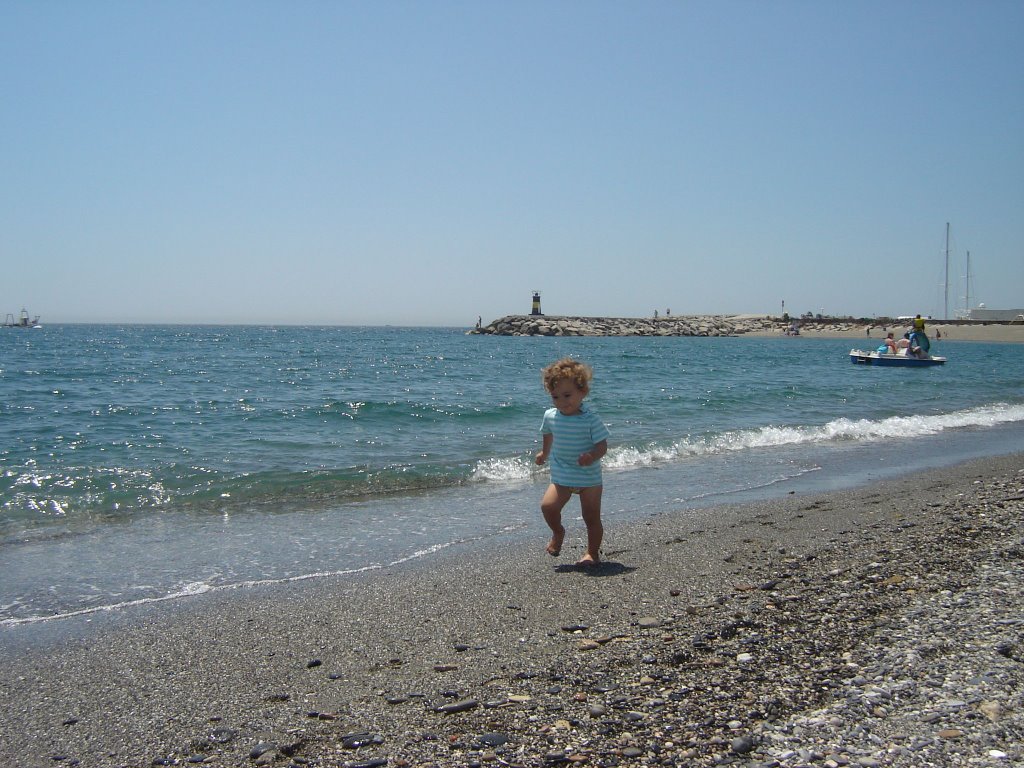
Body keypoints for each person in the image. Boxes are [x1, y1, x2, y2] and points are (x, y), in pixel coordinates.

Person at [535, 358, 609, 567]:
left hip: (589, 477)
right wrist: (544, 453)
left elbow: (602, 446)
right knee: (548, 507)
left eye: (567, 395)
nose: (561, 402)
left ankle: (592, 553)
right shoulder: (550, 416)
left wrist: (592, 456)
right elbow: (548, 434)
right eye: (555, 397)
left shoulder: (590, 419)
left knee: (591, 517)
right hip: (562, 473)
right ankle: (558, 532)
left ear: (582, 392)